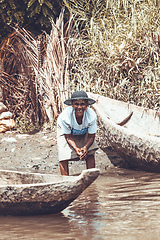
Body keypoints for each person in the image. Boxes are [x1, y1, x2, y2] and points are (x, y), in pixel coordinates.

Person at [57, 91, 99, 175]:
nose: (79, 107)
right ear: (72, 105)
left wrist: (85, 148)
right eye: (76, 104)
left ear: (87, 105)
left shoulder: (91, 116)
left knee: (90, 153)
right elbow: (68, 136)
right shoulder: (65, 117)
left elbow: (91, 136)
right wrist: (76, 148)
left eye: (82, 104)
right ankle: (65, 180)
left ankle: (91, 177)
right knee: (63, 156)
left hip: (83, 132)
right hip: (67, 133)